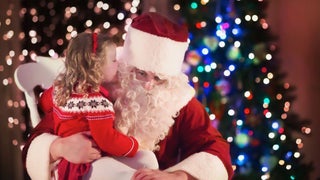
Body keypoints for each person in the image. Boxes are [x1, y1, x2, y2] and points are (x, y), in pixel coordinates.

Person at [22, 12, 234, 180]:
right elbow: (36, 140)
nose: (149, 85)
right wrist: (59, 147)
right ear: (124, 65)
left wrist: (179, 175)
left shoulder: (177, 100)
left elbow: (216, 150)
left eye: (159, 77)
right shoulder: (94, 87)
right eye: (141, 73)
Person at [33, 31, 158, 179]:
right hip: (83, 163)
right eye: (113, 60)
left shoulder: (59, 89)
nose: (118, 64)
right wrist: (133, 144)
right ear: (96, 65)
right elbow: (107, 140)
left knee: (147, 159)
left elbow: (44, 104)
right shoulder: (96, 102)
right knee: (129, 174)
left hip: (82, 159)